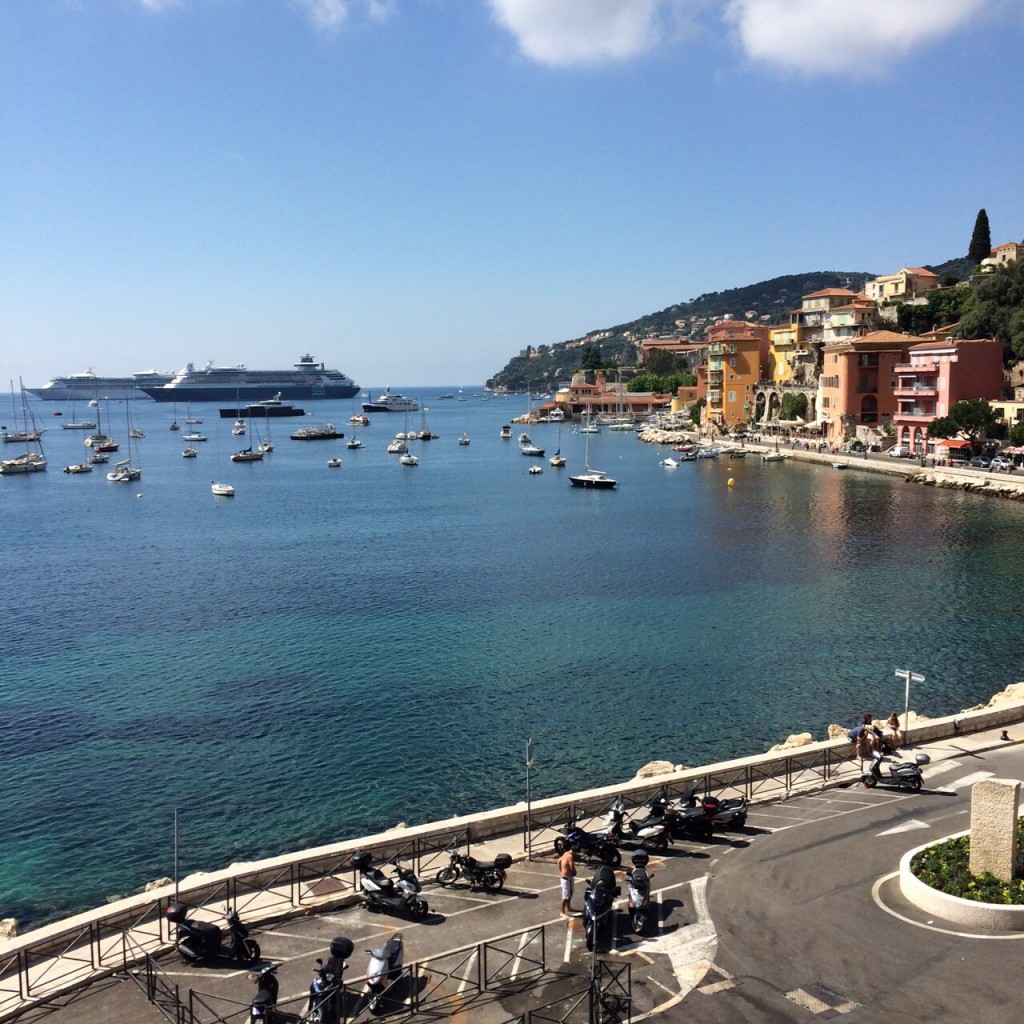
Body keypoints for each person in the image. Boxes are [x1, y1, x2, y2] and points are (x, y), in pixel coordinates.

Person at [557, 847, 577, 918]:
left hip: (567, 877)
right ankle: (562, 912)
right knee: (565, 896)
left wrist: (560, 870)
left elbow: (559, 861)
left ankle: (568, 907)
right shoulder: (570, 856)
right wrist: (574, 872)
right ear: (574, 852)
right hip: (566, 879)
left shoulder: (565, 853)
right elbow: (572, 867)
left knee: (570, 893)